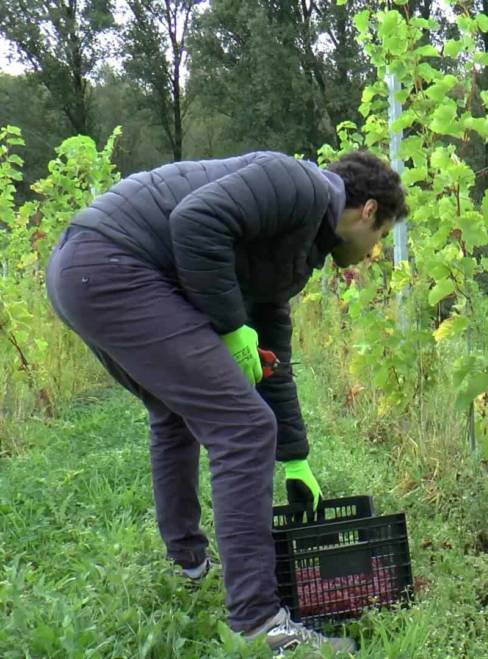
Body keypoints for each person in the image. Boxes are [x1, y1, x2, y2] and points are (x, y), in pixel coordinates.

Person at [45, 150, 407, 653]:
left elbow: (271, 355)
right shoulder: (299, 185)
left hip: (83, 269)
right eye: (382, 236)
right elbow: (195, 221)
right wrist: (231, 325)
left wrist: (296, 457)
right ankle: (260, 624)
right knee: (244, 427)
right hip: (113, 265)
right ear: (368, 211)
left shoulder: (297, 246)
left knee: (176, 412)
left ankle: (187, 565)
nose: (374, 252)